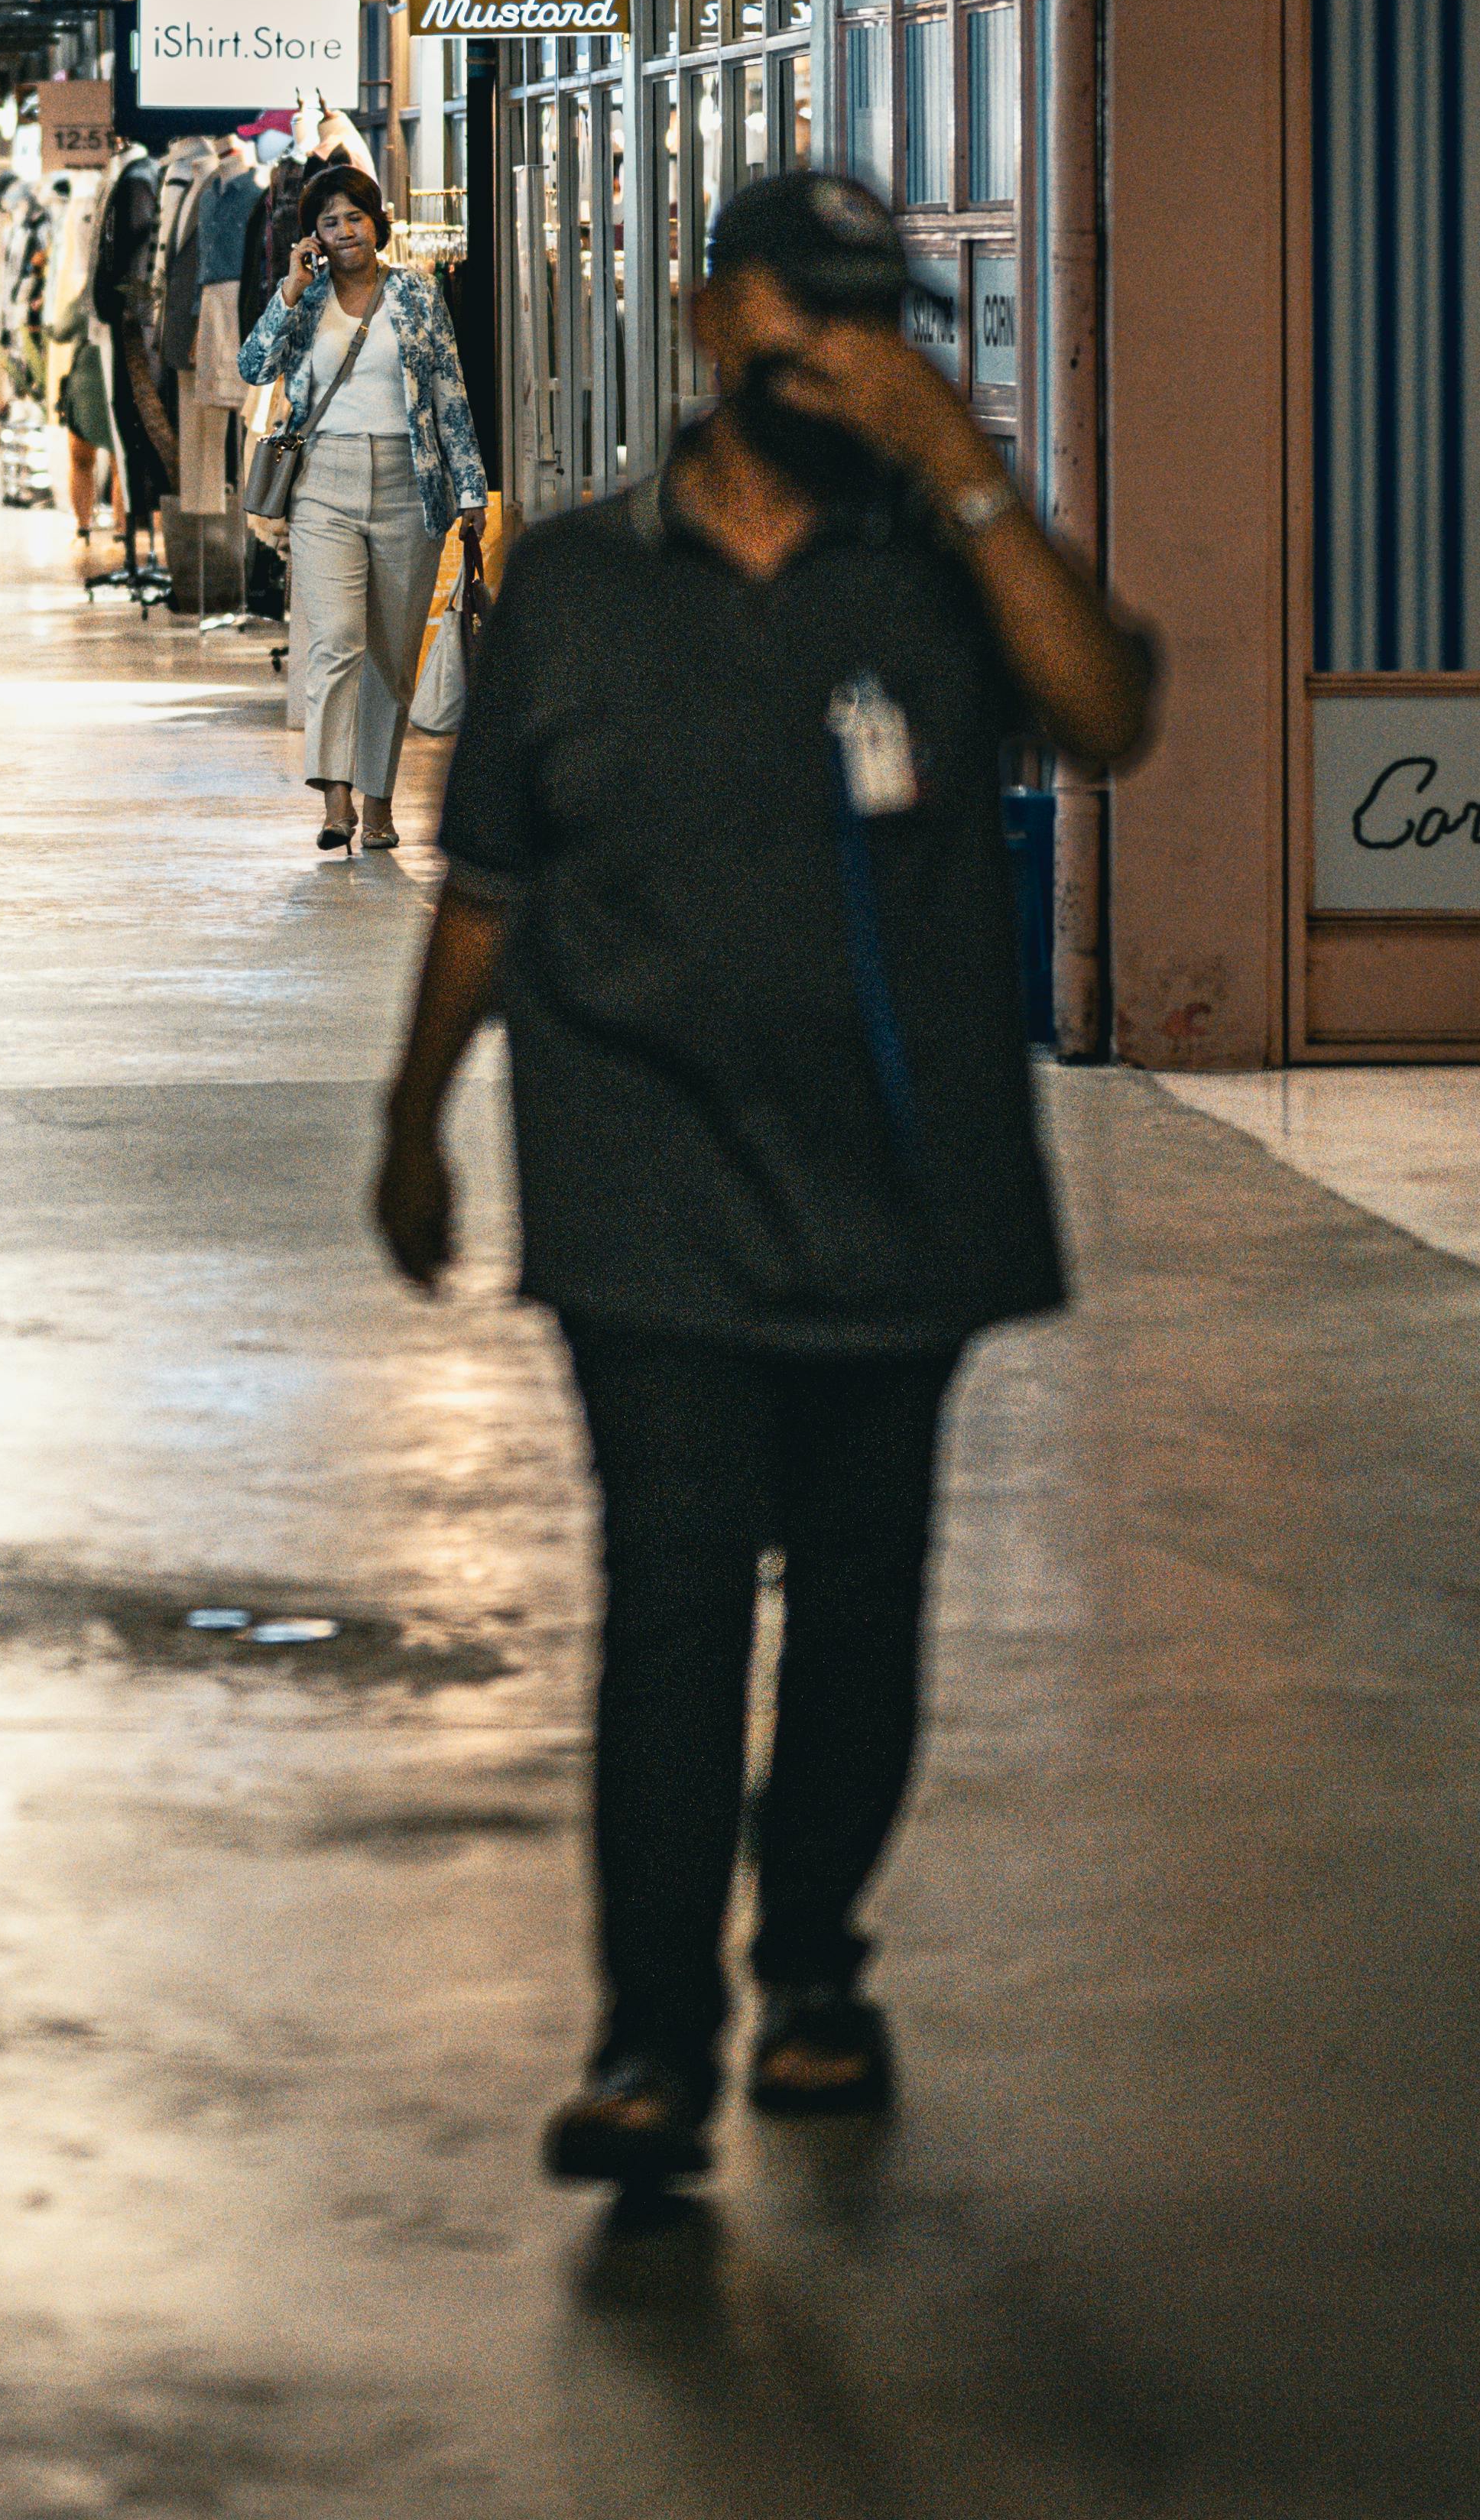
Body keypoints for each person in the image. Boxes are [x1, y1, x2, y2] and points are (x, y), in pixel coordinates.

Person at [363, 168, 1157, 2193]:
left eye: (871, 320)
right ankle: (648, 2041)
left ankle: (809, 1961)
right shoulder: (571, 581)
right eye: (801, 313)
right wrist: (411, 1117)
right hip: (637, 1182)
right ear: (709, 322)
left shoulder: (929, 578)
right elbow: (490, 880)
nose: (832, 351)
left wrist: (963, 472)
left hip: (898, 1178)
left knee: (863, 1609)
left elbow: (1101, 713)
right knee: (673, 1603)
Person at [235, 157, 485, 851]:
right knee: (336, 642)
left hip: (411, 484)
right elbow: (252, 368)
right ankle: (334, 802)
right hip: (325, 483)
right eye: (329, 222)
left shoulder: (417, 294)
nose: (345, 231)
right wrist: (288, 289)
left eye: (354, 217)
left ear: (377, 223)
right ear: (310, 235)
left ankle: (378, 804)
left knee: (390, 657)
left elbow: (449, 396)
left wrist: (470, 488)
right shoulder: (303, 298)